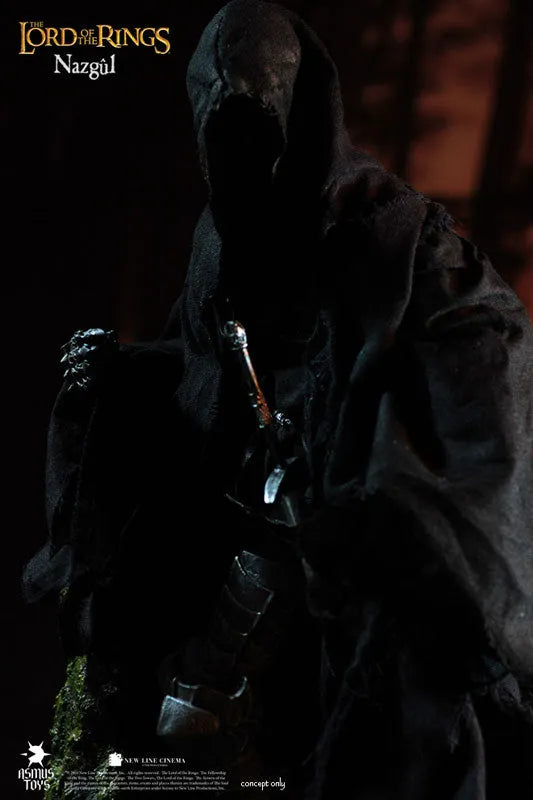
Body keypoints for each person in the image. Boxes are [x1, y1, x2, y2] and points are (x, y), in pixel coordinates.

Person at [24, 1, 533, 797]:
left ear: (307, 115)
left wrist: (369, 499)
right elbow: (197, 370)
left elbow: (483, 382)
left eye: (262, 129)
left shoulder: (402, 245)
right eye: (224, 133)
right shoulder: (220, 243)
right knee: (178, 746)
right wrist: (118, 376)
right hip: (235, 569)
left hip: (350, 591)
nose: (247, 161)